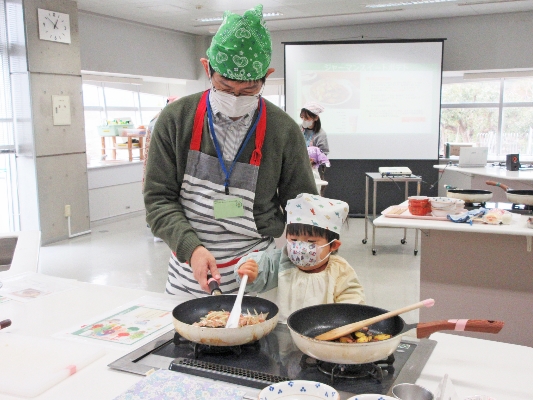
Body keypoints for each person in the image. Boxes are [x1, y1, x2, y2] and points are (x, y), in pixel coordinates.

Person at [143, 5, 318, 298]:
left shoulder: (283, 129)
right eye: (224, 87)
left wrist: (311, 248)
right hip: (189, 272)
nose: (235, 97)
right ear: (207, 68)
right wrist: (191, 248)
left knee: (257, 339)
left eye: (248, 91)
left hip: (256, 273)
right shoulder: (175, 119)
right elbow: (158, 200)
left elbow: (301, 204)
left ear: (267, 76)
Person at [235, 193, 365, 322]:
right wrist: (250, 271)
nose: (301, 248)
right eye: (294, 239)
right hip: (277, 331)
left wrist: (347, 320)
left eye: (311, 241)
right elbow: (260, 271)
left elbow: (351, 298)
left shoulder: (340, 270)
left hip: (321, 334)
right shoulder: (277, 262)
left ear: (333, 246)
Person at [142, 96, 179, 242]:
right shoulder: (166, 118)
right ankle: (158, 229)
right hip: (159, 159)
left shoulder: (157, 118)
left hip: (153, 159)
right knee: (159, 191)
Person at [300, 102, 329, 195]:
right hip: (297, 168)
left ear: (315, 118)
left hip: (312, 171)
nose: (304, 120)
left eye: (307, 118)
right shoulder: (298, 129)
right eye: (302, 117)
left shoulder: (320, 134)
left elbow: (324, 153)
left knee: (313, 196)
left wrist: (313, 160)